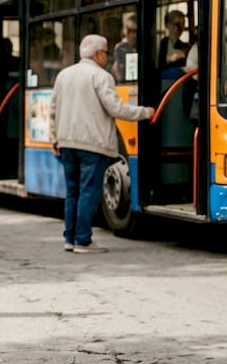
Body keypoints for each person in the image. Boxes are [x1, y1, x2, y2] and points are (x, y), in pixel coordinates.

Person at [50, 35, 155, 254]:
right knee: (89, 192)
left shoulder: (63, 75)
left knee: (72, 192)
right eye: (106, 53)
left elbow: (53, 111)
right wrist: (144, 112)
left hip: (66, 142)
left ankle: (69, 238)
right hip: (92, 144)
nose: (107, 57)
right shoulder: (101, 76)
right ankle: (83, 240)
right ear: (98, 54)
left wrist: (54, 139)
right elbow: (116, 109)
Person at [158, 9, 190, 77]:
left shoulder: (185, 46)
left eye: (183, 24)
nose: (180, 28)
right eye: (177, 24)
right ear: (168, 25)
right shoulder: (162, 43)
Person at [112, 15, 138, 81]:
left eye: (135, 31)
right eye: (129, 30)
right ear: (124, 30)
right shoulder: (121, 48)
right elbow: (118, 73)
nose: (133, 35)